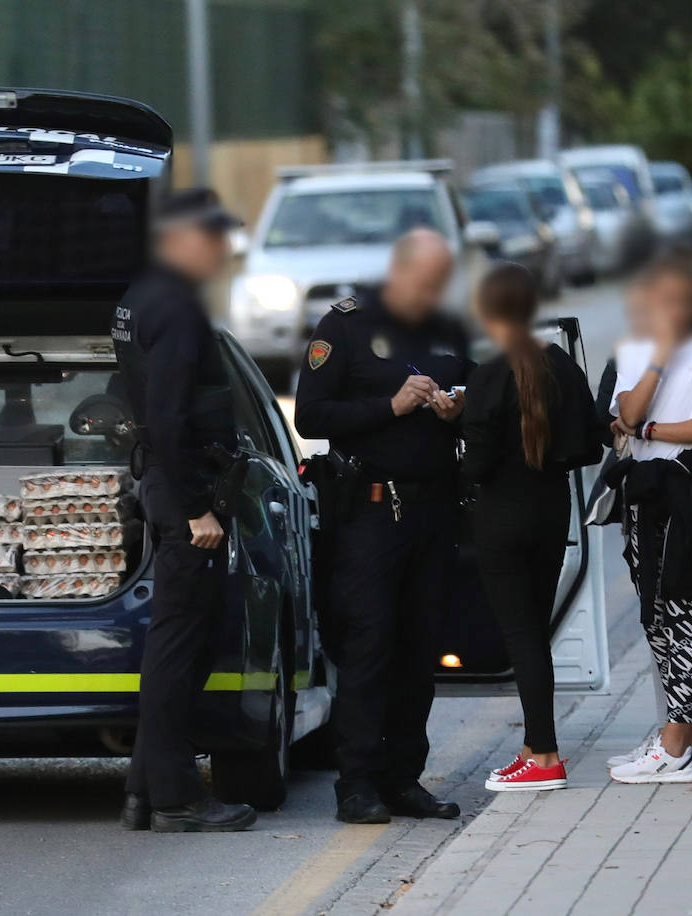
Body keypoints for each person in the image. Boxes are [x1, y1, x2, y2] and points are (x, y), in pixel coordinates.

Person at [294, 228, 471, 824]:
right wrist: (389, 407)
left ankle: (405, 778)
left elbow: (477, 389)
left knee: (420, 647)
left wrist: (458, 408)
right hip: (370, 511)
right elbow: (313, 414)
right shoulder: (344, 326)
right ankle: (358, 784)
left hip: (433, 510)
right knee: (369, 646)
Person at [111, 188, 258, 832]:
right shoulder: (174, 305)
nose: (221, 252)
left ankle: (146, 790)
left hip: (165, 482)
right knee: (179, 648)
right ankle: (176, 798)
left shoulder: (137, 295)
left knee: (182, 643)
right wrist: (199, 508)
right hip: (183, 491)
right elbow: (167, 414)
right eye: (213, 239)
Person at [462, 264, 603, 793]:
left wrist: (460, 419)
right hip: (550, 510)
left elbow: (475, 467)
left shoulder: (489, 375)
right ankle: (532, 748)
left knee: (521, 638)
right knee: (534, 635)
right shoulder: (561, 366)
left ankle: (544, 756)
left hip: (502, 517)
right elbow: (589, 444)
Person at [606, 253, 692, 784]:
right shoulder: (637, 349)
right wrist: (659, 357)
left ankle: (677, 744)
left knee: (680, 613)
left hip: (685, 491)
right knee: (654, 616)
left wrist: (650, 431)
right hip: (643, 493)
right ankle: (689, 742)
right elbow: (625, 417)